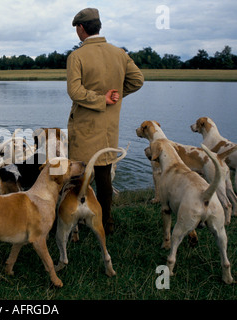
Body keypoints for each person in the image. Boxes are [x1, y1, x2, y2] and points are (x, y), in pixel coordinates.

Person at [66, 8, 144, 235]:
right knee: (104, 177)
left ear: (81, 28)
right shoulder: (119, 53)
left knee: (79, 176)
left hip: (84, 127)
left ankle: (77, 222)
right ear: (98, 26)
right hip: (109, 127)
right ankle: (106, 223)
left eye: (76, 29)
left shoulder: (77, 56)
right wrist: (114, 97)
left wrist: (102, 99)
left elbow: (74, 91)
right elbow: (138, 80)